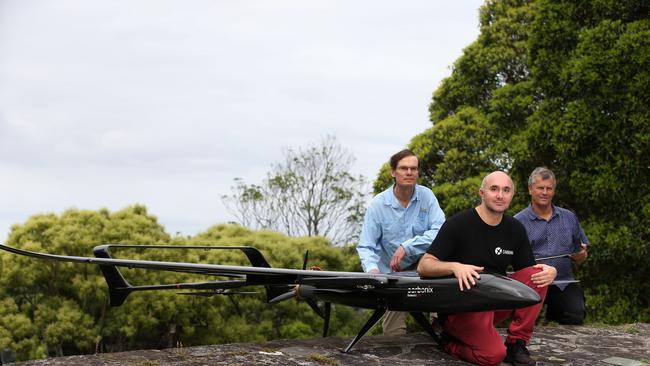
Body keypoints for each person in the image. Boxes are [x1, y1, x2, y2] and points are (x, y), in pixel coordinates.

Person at [417, 171, 556, 366]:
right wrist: (454, 266)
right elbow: (424, 265)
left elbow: (528, 274)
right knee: (492, 356)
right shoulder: (458, 224)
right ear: (482, 193)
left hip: (494, 303)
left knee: (537, 275)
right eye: (494, 189)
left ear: (512, 196)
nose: (500, 195)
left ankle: (517, 343)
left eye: (506, 190)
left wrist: (551, 272)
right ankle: (449, 342)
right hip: (461, 309)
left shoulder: (515, 228)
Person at [357, 149, 445, 336]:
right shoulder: (378, 205)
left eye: (413, 168)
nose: (409, 172)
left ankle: (441, 326)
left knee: (444, 325)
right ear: (393, 172)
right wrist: (373, 271)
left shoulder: (427, 196)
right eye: (404, 168)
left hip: (426, 271)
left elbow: (441, 231)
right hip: (392, 276)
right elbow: (366, 246)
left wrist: (408, 246)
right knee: (392, 334)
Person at [514, 167, 589, 325]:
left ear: (554, 191)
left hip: (563, 282)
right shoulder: (517, 222)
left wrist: (581, 255)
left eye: (549, 188)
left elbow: (581, 255)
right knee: (523, 322)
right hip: (531, 283)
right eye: (540, 188)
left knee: (575, 316)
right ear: (530, 189)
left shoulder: (569, 217)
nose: (545, 192)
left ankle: (553, 313)